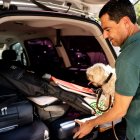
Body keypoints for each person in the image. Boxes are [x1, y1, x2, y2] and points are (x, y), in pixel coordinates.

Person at [73, 0, 140, 140]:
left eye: (108, 29)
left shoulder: (128, 59)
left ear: (126, 22)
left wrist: (90, 123)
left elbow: (119, 111)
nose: (104, 35)